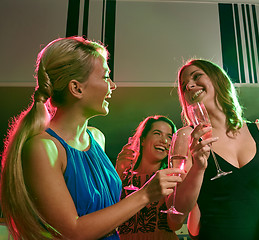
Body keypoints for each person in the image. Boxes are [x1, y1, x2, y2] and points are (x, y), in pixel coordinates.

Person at [0, 37, 183, 240]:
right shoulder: (42, 148)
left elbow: (107, 213)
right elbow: (73, 232)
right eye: (105, 77)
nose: (112, 86)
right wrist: (145, 195)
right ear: (76, 88)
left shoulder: (97, 137)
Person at [166, 59, 259, 239]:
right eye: (184, 86)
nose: (190, 86)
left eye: (196, 76)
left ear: (218, 79)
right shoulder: (187, 137)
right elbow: (176, 218)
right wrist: (198, 169)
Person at [115, 115, 179, 240]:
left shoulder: (172, 178)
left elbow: (176, 224)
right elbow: (104, 211)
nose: (164, 141)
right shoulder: (124, 177)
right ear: (142, 140)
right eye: (157, 133)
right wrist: (118, 170)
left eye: (169, 137)